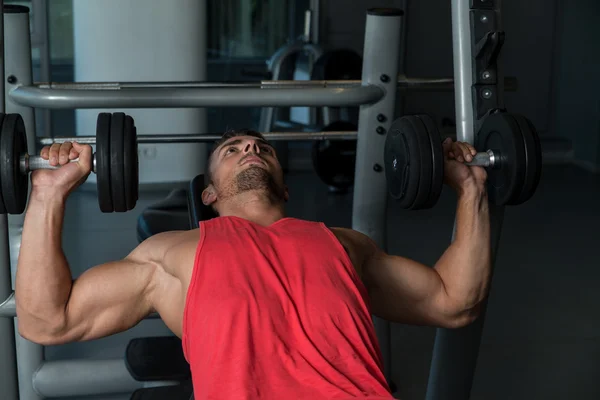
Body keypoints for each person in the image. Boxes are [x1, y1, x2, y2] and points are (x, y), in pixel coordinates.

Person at [15, 129, 490, 400]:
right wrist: (49, 194)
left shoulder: (346, 246)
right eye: (233, 149)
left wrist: (471, 189)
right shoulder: (171, 254)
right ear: (209, 194)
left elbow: (454, 302)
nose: (250, 149)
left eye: (263, 148)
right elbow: (47, 320)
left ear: (285, 187)